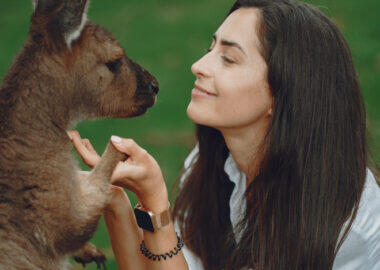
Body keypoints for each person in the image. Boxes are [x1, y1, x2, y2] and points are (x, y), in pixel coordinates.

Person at [68, 0, 380, 269]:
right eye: (210, 48)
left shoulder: (343, 223)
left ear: (285, 91)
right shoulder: (213, 162)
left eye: (229, 59)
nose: (198, 65)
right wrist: (114, 200)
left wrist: (155, 201)